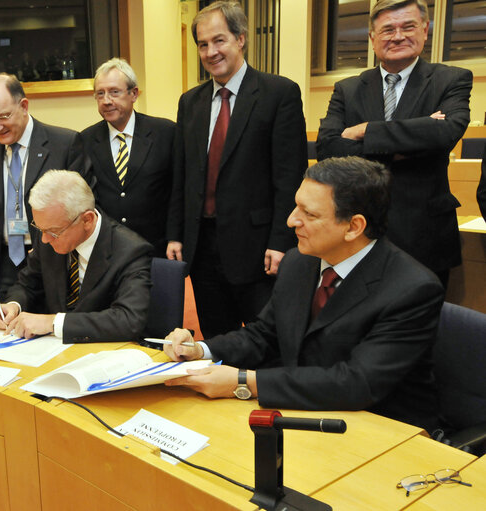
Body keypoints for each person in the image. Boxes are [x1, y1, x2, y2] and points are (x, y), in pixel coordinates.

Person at [164, 156, 444, 433]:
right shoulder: (300, 261)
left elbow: (357, 383)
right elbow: (265, 334)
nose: (291, 220)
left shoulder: (411, 289)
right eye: (296, 206)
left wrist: (245, 381)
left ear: (354, 227)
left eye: (308, 214)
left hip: (382, 430)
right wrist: (201, 350)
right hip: (304, 411)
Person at [166, 1, 307, 339]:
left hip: (258, 249)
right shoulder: (190, 102)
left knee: (268, 341)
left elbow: (289, 177)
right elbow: (181, 176)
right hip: (203, 248)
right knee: (218, 341)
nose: (211, 52)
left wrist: (281, 241)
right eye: (203, 44)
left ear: (241, 39)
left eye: (219, 40)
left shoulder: (278, 93)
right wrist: (175, 233)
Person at [316, 0, 472, 289]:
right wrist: (416, 134)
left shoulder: (450, 79)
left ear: (425, 30)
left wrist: (364, 131)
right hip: (357, 234)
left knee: (419, 330)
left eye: (408, 26)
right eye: (387, 29)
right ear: (372, 38)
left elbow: (445, 133)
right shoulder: (348, 89)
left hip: (424, 236)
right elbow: (327, 148)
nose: (398, 36)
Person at [0, 170, 151, 343]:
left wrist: (53, 322)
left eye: (53, 232)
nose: (44, 239)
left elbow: (128, 319)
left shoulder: (131, 251)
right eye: (40, 229)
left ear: (87, 220)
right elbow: (28, 283)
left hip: (102, 352)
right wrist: (14, 305)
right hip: (50, 349)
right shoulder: (49, 228)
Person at [0, 73, 91, 301]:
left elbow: (82, 207)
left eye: (3, 117)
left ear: (24, 106)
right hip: (4, 260)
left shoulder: (64, 144)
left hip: (53, 258)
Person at [80, 58, 175, 256]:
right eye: (100, 94)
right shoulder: (85, 140)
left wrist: (176, 237)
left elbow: (178, 191)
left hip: (156, 247)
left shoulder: (165, 133)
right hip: (107, 250)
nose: (107, 100)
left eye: (114, 92)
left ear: (134, 94)